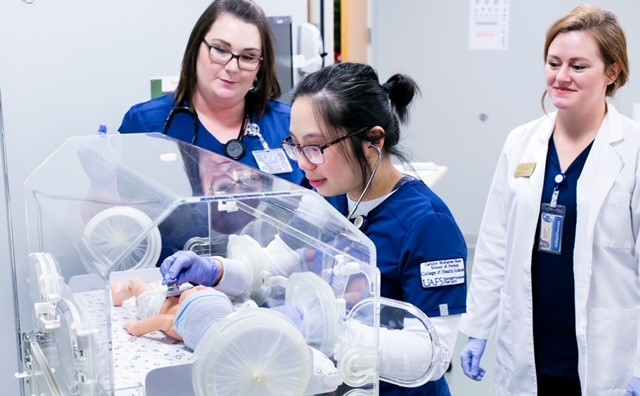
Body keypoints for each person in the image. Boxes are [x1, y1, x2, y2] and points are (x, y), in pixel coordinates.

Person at [160, 62, 468, 394]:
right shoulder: (326, 199)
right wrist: (216, 270)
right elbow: (268, 267)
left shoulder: (428, 225)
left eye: (316, 147)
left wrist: (328, 326)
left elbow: (433, 356)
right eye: (295, 145)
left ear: (373, 142)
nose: (303, 163)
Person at [458, 5, 640, 395]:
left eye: (578, 66)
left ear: (612, 72)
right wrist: (477, 328)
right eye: (553, 63)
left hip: (607, 354)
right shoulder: (521, 142)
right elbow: (494, 244)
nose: (561, 77)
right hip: (529, 347)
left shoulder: (634, 149)